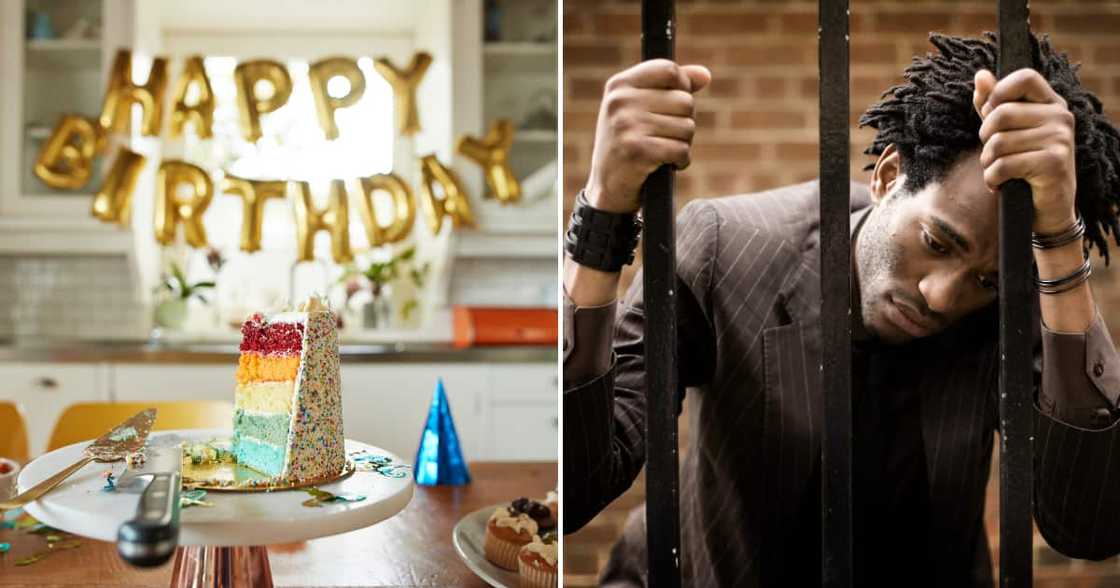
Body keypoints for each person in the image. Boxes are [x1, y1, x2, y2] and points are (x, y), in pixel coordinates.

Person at [562, 32, 1120, 587]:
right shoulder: (727, 248)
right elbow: (579, 481)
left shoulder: (1013, 308)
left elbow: (1088, 526)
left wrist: (1058, 240)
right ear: (886, 176)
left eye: (985, 280)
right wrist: (604, 213)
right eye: (936, 243)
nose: (943, 297)